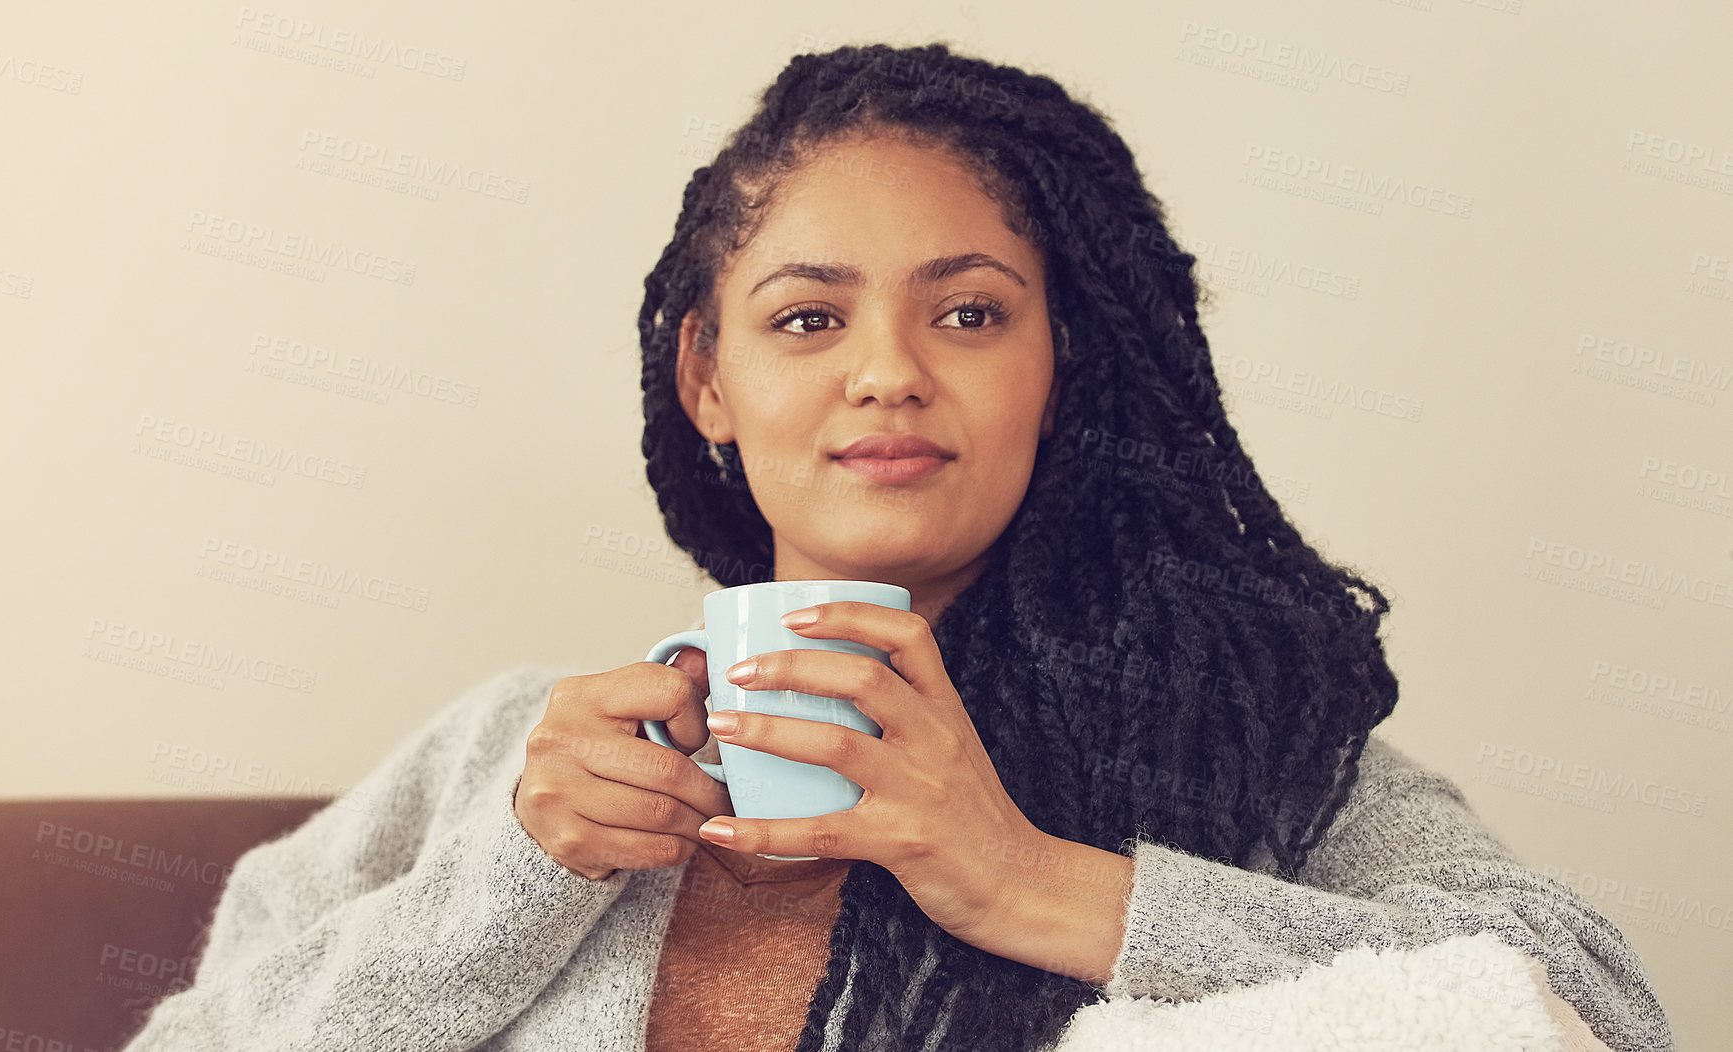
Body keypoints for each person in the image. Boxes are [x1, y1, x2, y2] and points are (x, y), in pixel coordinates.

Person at [119, 42, 1676, 1052]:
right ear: (709, 385)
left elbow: (1591, 1010)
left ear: (1063, 370)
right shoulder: (507, 763)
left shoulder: (1241, 744)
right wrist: (516, 879)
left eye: (971, 312)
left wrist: (1030, 882)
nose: (887, 371)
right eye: (808, 317)